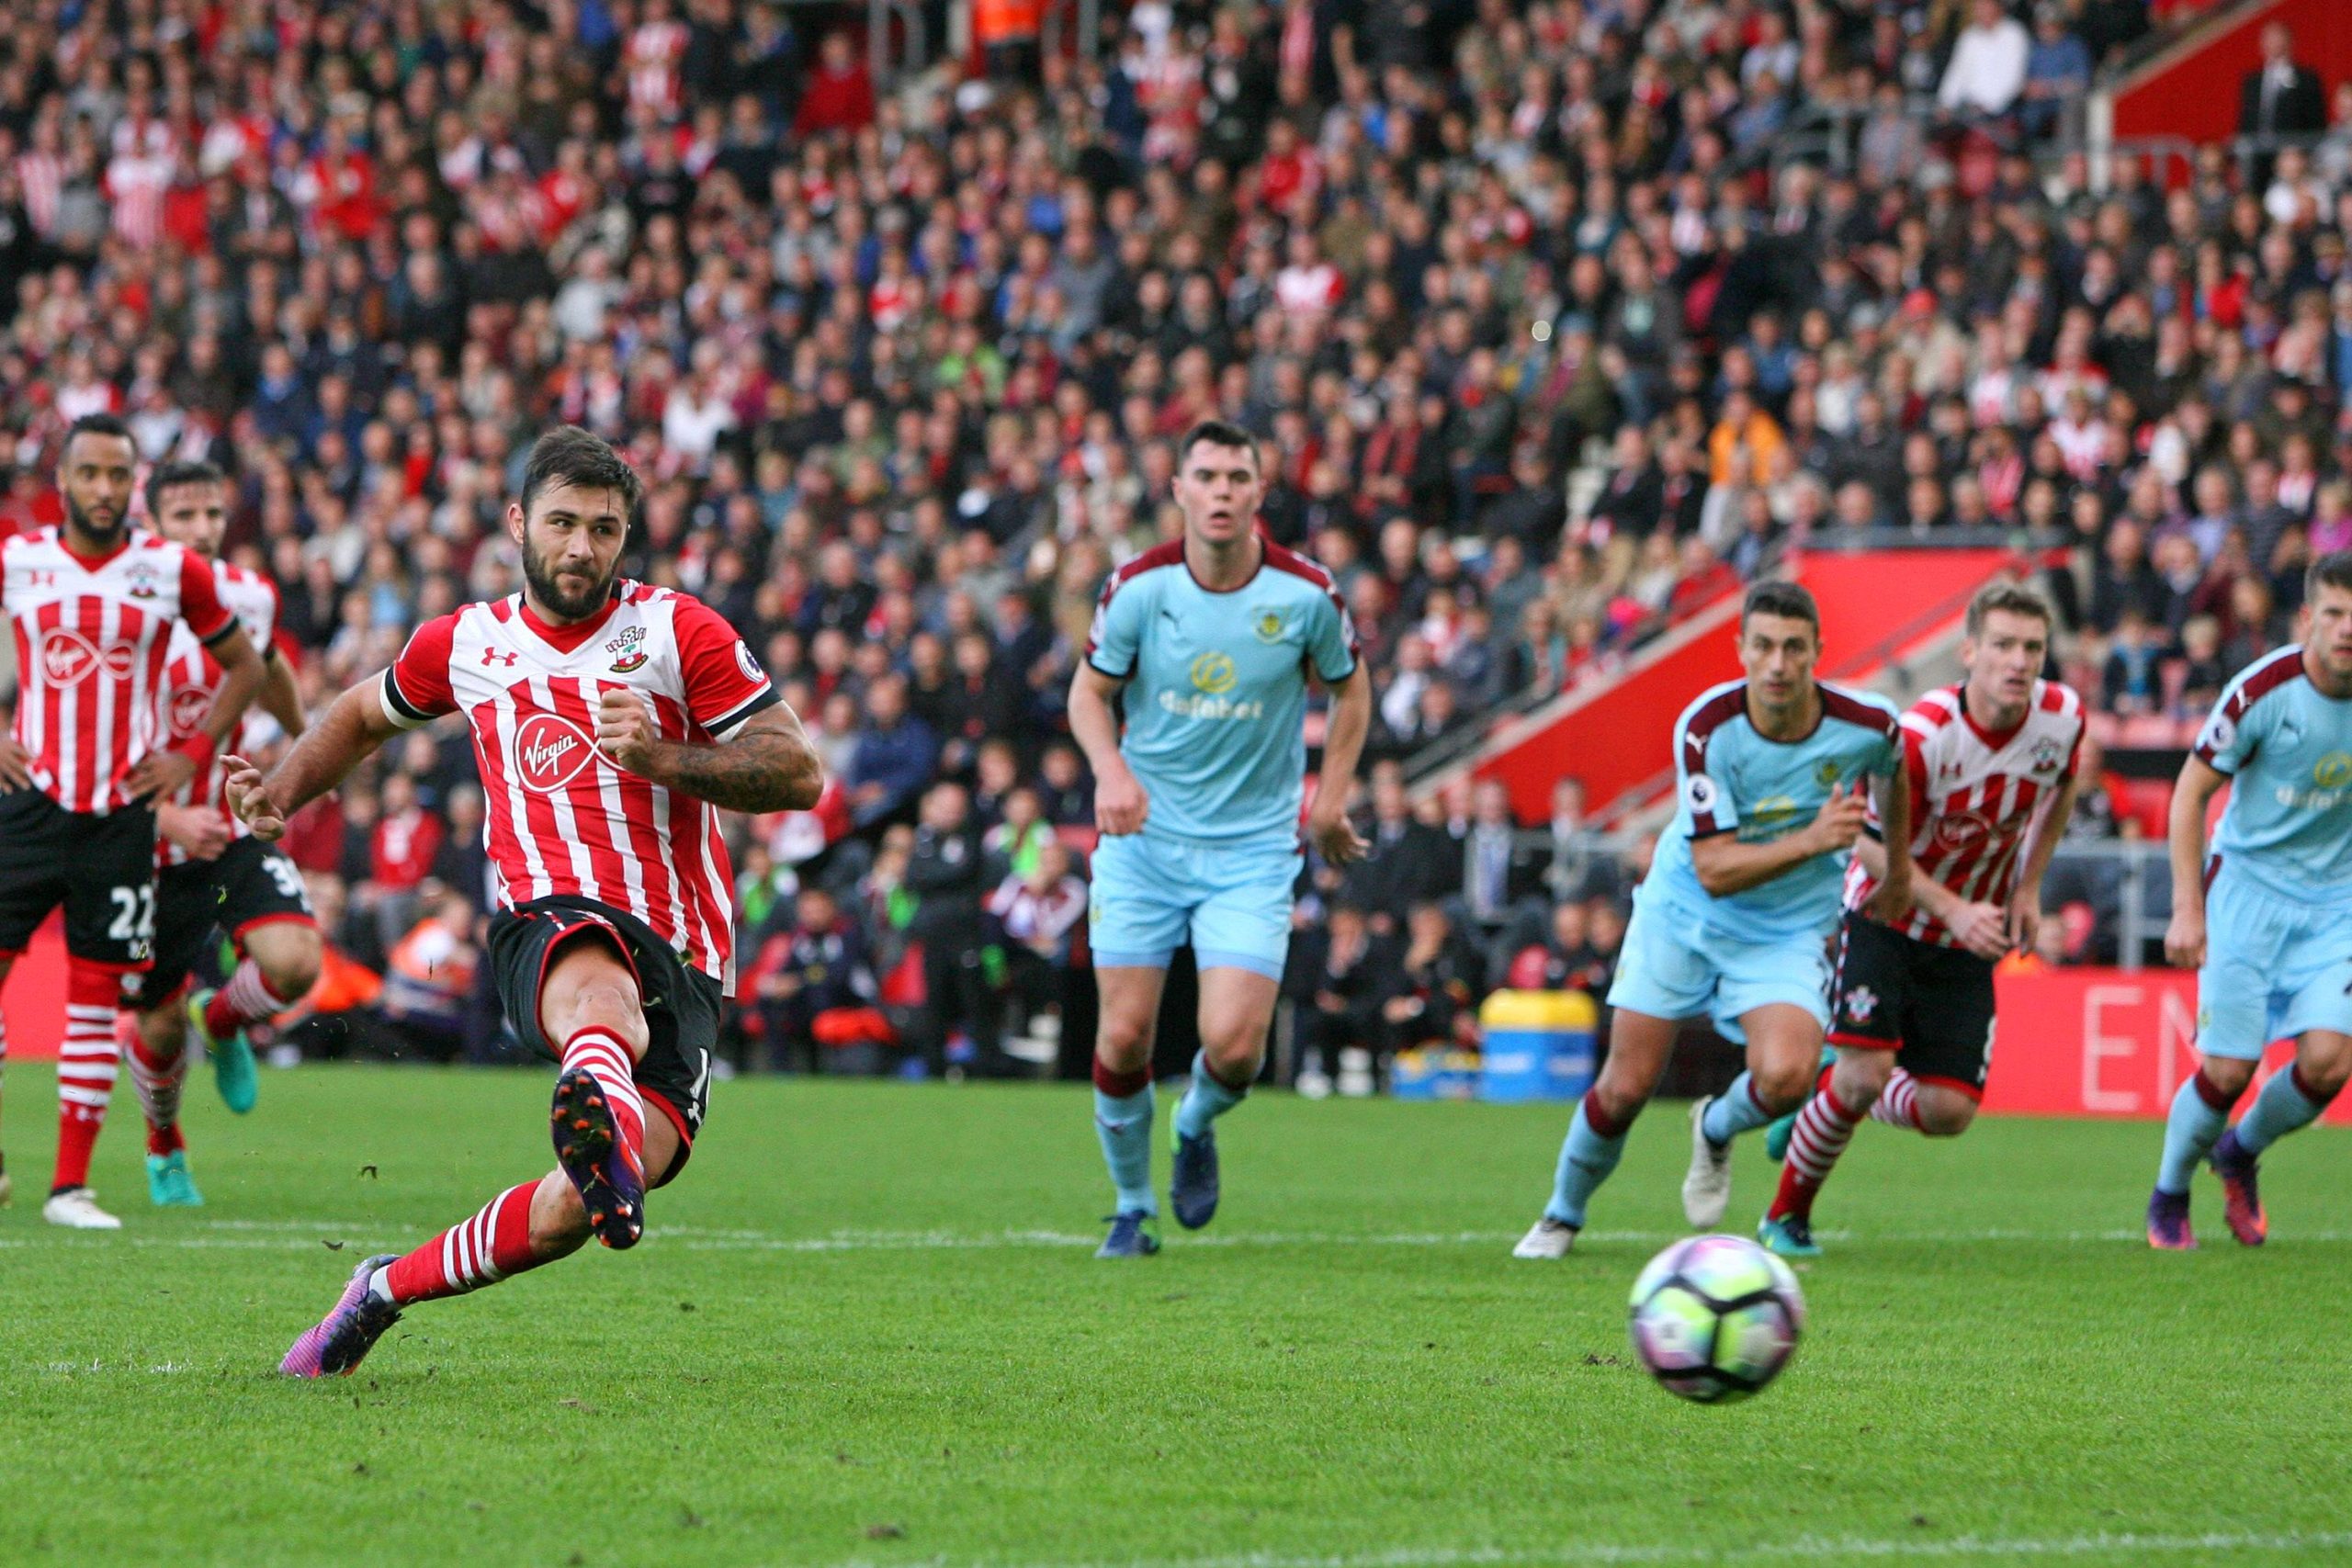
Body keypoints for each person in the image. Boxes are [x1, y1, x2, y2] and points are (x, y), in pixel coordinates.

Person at [223, 427, 822, 1375]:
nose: (581, 547)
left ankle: (380, 1289)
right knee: (602, 1003)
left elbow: (798, 773)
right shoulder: (468, 642)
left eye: (603, 528)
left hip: (689, 952)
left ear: (627, 536)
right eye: (562, 523)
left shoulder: (677, 631)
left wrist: (661, 756)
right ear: (517, 524)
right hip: (554, 918)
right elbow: (357, 716)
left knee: (570, 1212)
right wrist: (280, 796)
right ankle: (594, 1092)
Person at [1513, 580, 1909, 1259]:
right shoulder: (1707, 727)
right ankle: (1561, 1213)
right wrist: (1816, 840)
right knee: (1627, 1084)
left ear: (1817, 649)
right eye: (1763, 647)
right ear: (1741, 650)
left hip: (1784, 928)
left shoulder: (1868, 725)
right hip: (1684, 913)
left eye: (1792, 647)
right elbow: (1715, 870)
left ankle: (1716, 1126)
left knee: (1788, 1075)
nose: (1778, 663)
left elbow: (1895, 775)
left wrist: (1896, 872)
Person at [1069, 418, 1372, 1258]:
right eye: (1207, 476)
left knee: (1236, 1049)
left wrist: (1331, 798)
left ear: (1259, 492)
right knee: (1123, 1036)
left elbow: (1353, 690)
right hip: (1145, 841)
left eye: (1239, 477)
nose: (1223, 492)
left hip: (1250, 850)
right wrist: (1110, 771)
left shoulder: (1307, 595)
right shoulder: (1139, 588)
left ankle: (1195, 1122)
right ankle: (1133, 1207)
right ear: (1180, 491)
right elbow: (1087, 694)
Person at [1757, 584, 2083, 1256]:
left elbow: (2064, 785)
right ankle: (1786, 1216)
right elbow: (1864, 840)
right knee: (1863, 1076)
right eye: (2002, 645)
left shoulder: (2062, 720)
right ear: (1968, 652)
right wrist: (1953, 907)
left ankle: (1829, 1089)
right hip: (1885, 909)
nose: (2018, 662)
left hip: (1970, 933)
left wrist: (2028, 886)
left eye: (2032, 648)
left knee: (1949, 1112)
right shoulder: (1922, 737)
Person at [0, 414, 263, 1227]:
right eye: (91, 474)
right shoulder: (20, 561)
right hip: (31, 802)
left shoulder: (169, 568)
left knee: (93, 999)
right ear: (65, 480)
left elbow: (247, 666)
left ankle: (68, 1188)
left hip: (122, 812)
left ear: (134, 483)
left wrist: (190, 752)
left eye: (120, 475)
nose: (106, 490)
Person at [117, 459, 322, 1209]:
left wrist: (309, 736)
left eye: (212, 514)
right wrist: (161, 812)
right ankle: (165, 1144)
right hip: (138, 843)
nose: (202, 530)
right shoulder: (121, 606)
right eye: (184, 516)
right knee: (159, 1025)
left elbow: (264, 665)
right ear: (153, 523)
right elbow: (81, 734)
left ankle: (227, 1015)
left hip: (227, 824)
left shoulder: (247, 595)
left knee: (297, 962)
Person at [2147, 551, 2352, 1250]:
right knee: (2227, 1069)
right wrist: (2185, 906)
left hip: (2335, 904)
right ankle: (2170, 1191)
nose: (2348, 627)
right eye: (2335, 612)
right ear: (2307, 619)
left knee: (2329, 1061)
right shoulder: (2263, 689)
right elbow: (2189, 793)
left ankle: (2239, 1151)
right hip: (2248, 894)